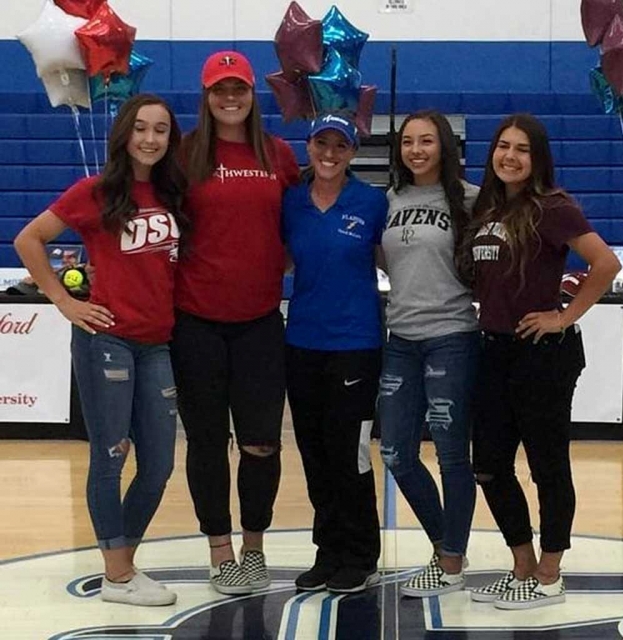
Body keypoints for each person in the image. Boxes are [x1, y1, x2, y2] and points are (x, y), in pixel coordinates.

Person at [14, 94, 189, 606]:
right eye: (141, 128)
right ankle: (117, 575)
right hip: (106, 340)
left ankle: (123, 563)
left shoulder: (173, 194)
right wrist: (65, 301)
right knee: (110, 457)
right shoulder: (96, 191)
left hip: (157, 344)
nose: (150, 139)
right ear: (124, 135)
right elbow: (30, 239)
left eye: (160, 130)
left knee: (157, 464)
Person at [467, 113, 620, 609]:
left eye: (522, 149)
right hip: (493, 350)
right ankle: (522, 564)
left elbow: (606, 264)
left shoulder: (553, 208)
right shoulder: (487, 209)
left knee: (547, 466)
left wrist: (563, 316)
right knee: (488, 464)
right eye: (503, 146)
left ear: (537, 159)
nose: (510, 156)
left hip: (542, 354)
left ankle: (550, 572)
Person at [170, 50, 299, 595]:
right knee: (205, 442)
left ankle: (253, 547)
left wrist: (266, 264)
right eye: (219, 89)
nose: (229, 98)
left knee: (261, 443)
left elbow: (299, 227)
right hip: (195, 322)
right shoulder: (181, 156)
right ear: (206, 96)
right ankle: (219, 550)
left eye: (238, 89)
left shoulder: (278, 154)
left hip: (260, 323)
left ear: (252, 94)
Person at [282, 113, 387, 593]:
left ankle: (360, 553)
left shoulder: (371, 202)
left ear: (352, 152)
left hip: (356, 346)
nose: (329, 153)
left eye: (339, 145)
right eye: (321, 143)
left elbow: (397, 262)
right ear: (308, 146)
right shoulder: (291, 203)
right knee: (314, 452)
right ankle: (327, 551)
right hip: (302, 342)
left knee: (350, 454)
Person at [378, 110, 481, 597]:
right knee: (396, 452)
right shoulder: (390, 200)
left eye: (426, 141)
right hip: (401, 339)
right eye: (407, 142)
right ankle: (446, 546)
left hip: (452, 337)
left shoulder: (472, 199)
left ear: (444, 145)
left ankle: (451, 563)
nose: (416, 150)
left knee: (451, 454)